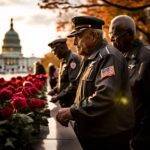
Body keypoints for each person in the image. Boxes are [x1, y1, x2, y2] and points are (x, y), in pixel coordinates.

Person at [56, 16, 134, 150]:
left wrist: (73, 112)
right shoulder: (92, 58)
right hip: (97, 134)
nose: (74, 43)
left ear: (92, 35)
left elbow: (105, 95)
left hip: (108, 138)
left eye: (78, 36)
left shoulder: (108, 56)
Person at [109, 15, 150, 150]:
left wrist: (141, 138)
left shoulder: (145, 56)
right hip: (124, 129)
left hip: (140, 135)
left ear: (127, 34)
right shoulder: (120, 57)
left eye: (114, 36)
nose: (111, 39)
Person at [48, 38, 81, 107]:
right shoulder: (64, 60)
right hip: (66, 101)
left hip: (72, 102)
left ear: (62, 48)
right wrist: (54, 90)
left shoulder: (72, 59)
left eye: (55, 51)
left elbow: (74, 84)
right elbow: (63, 81)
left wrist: (58, 96)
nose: (55, 54)